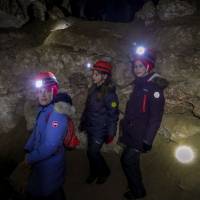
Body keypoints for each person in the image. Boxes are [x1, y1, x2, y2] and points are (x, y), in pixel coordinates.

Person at [120, 47, 168, 199]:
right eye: (135, 66)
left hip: (140, 134)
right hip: (132, 130)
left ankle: (138, 191)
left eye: (140, 66)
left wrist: (148, 139)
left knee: (127, 160)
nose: (137, 69)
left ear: (148, 66)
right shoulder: (139, 84)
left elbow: (156, 116)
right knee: (131, 161)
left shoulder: (154, 89)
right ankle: (135, 184)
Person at [24, 72, 73, 200]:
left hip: (50, 165)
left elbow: (50, 146)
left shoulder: (57, 114)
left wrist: (30, 158)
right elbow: (36, 131)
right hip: (41, 161)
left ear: (54, 91)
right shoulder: (43, 110)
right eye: (40, 91)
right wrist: (28, 147)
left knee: (50, 191)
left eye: (47, 90)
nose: (43, 95)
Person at [79, 60, 119, 184]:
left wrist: (111, 133)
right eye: (93, 73)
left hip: (100, 130)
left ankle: (104, 171)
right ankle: (94, 172)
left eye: (96, 74)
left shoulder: (110, 95)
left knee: (93, 152)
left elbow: (113, 115)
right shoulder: (94, 88)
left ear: (105, 76)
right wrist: (83, 122)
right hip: (91, 127)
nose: (93, 76)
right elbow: (88, 109)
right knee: (90, 153)